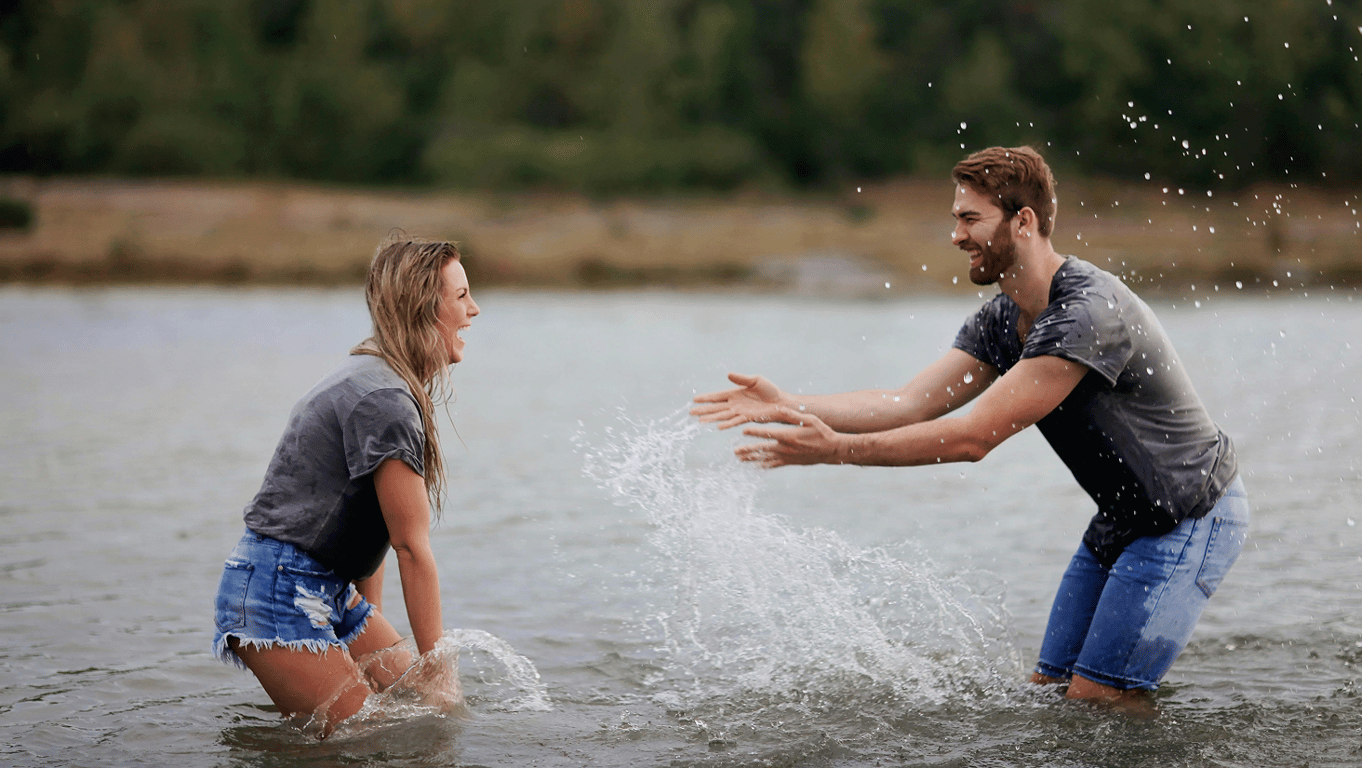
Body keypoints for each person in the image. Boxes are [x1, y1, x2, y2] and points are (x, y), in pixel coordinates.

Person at [691, 146, 1248, 711]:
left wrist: (834, 449)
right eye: (956, 219)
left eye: (969, 219)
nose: (956, 235)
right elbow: (909, 403)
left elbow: (972, 438)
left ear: (1023, 222)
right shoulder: (1003, 318)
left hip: (1189, 513)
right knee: (1051, 695)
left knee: (1099, 697)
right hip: (1124, 518)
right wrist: (791, 403)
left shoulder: (1085, 313)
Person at [212, 237, 479, 735]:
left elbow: (369, 529)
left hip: (325, 587)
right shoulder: (385, 399)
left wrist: (372, 643)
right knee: (369, 738)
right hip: (278, 589)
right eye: (461, 296)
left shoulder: (381, 378)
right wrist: (438, 666)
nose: (474, 310)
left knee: (423, 714)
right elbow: (410, 546)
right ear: (425, 306)